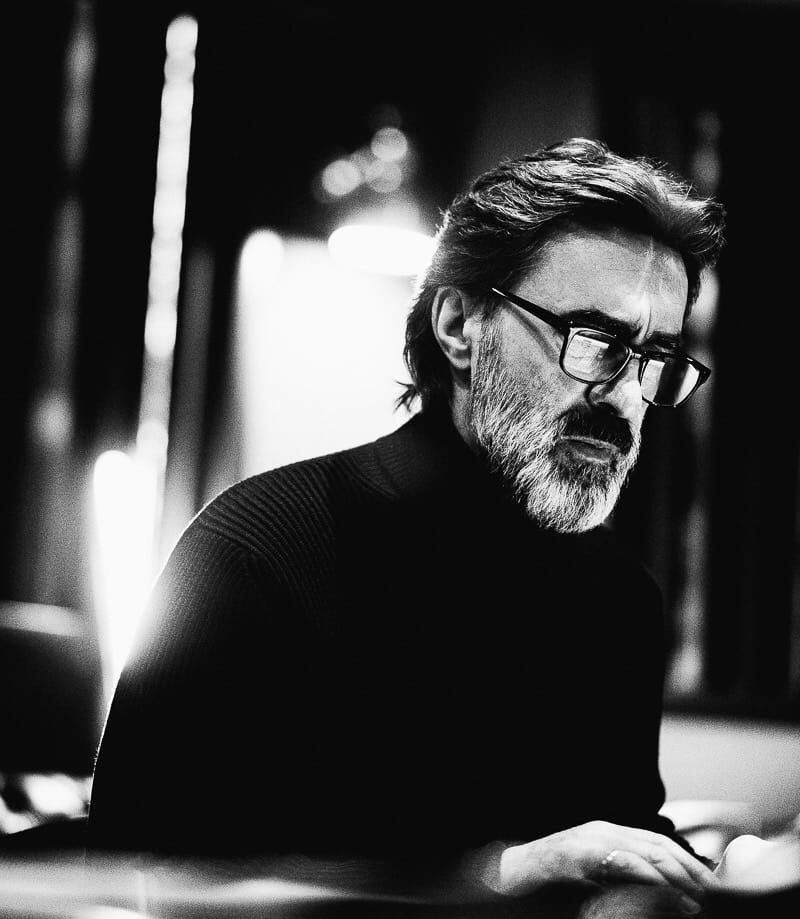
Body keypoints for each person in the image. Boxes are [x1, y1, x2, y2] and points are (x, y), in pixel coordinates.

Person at [87, 138, 728, 914]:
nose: (625, 398)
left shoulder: (619, 602)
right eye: (596, 341)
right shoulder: (259, 555)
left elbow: (614, 850)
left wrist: (708, 878)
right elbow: (134, 879)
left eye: (654, 359)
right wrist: (494, 878)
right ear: (459, 325)